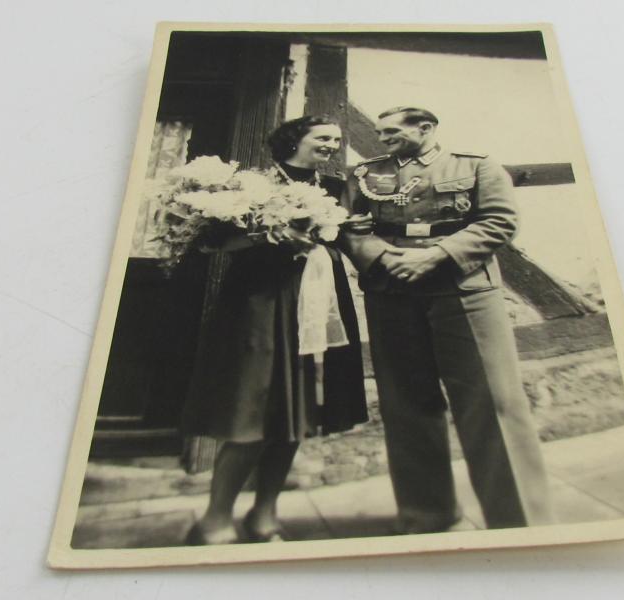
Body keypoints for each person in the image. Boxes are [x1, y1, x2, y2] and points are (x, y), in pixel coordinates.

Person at [340, 106, 554, 533]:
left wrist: (436, 255)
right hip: (392, 292)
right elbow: (347, 228)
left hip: (465, 291)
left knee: (493, 403)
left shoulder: (476, 166)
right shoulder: (364, 174)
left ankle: (520, 521)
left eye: (392, 132)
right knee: (406, 406)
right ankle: (428, 516)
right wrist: (383, 257)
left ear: (426, 128)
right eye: (380, 134)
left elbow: (500, 222)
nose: (384, 140)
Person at [181, 115, 367, 545]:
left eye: (336, 140)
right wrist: (271, 235)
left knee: (297, 414)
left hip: (317, 306)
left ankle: (264, 515)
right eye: (322, 138)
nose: (332, 145)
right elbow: (213, 243)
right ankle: (215, 518)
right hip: (261, 303)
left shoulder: (338, 189)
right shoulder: (253, 183)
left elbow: (347, 238)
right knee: (252, 414)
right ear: (293, 140)